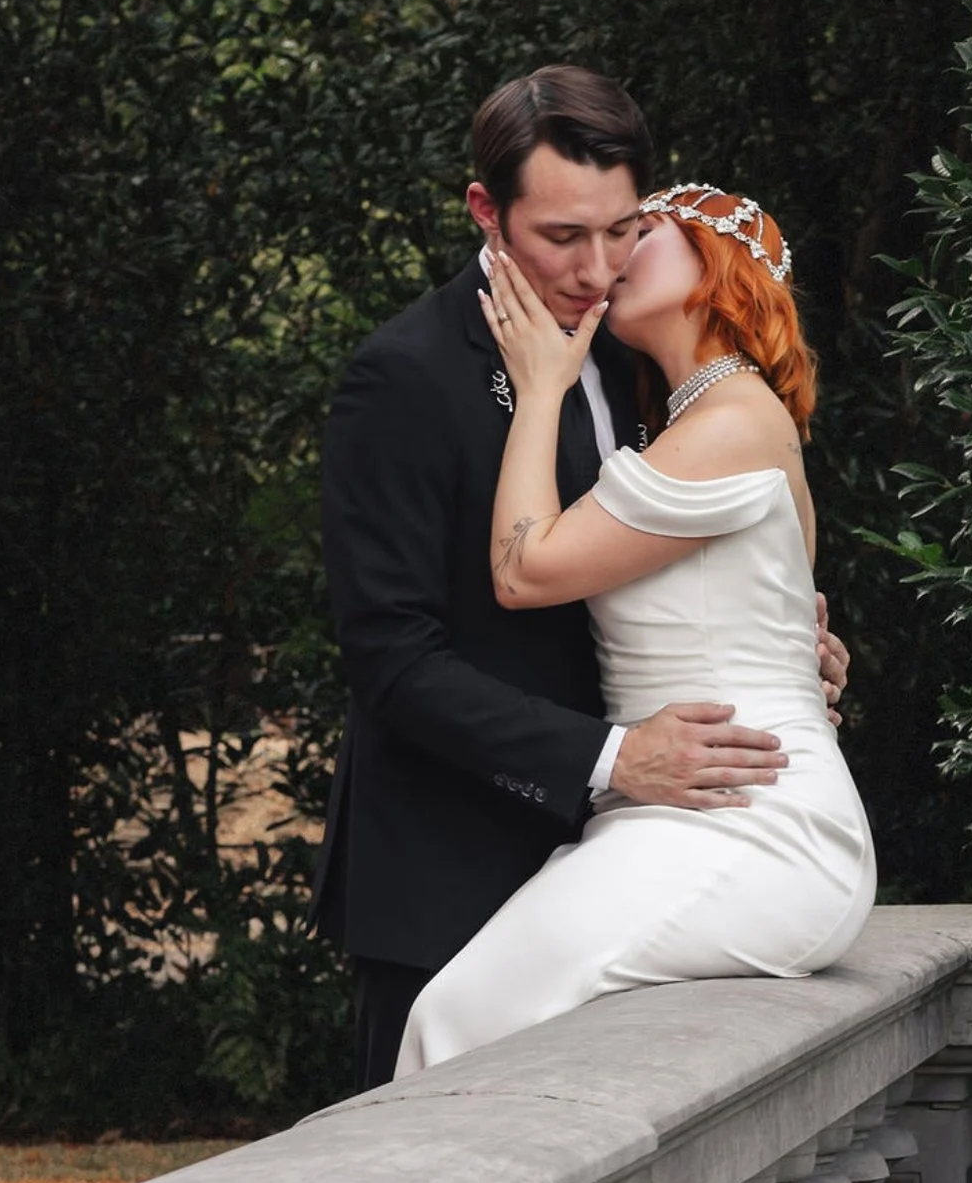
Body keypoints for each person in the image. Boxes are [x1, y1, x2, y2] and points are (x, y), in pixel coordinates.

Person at [313, 66, 847, 1088]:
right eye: (562, 237)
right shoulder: (404, 377)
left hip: (654, 853)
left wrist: (785, 647)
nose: (596, 268)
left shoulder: (645, 358)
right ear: (487, 211)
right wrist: (612, 761)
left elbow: (689, 555)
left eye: (619, 231)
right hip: (452, 864)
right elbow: (391, 660)